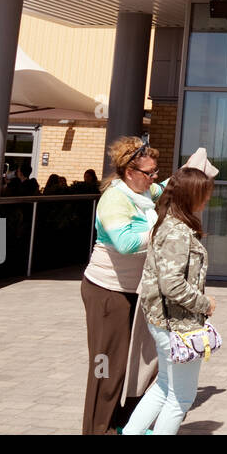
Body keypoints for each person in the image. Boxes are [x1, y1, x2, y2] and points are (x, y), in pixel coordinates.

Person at [123, 150, 218, 435]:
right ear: (191, 196)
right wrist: (205, 303)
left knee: (165, 385)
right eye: (205, 193)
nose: (208, 198)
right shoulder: (177, 232)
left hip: (162, 322)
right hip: (177, 324)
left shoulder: (169, 224)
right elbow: (172, 284)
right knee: (181, 398)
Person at [80, 135, 163, 434]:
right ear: (130, 172)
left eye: (155, 171)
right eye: (149, 172)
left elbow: (166, 189)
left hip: (131, 292)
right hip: (107, 293)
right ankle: (97, 429)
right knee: (106, 368)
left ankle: (121, 424)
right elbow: (126, 243)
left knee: (126, 367)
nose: (154, 178)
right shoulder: (115, 200)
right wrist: (162, 230)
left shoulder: (142, 190)